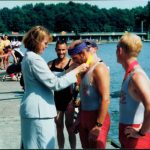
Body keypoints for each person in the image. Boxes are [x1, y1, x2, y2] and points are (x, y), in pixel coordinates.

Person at [20, 26, 89, 149]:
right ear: (37, 41)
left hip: (33, 110)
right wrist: (77, 70)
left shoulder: (28, 57)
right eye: (45, 43)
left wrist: (68, 70)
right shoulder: (35, 60)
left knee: (30, 144)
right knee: (44, 146)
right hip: (39, 113)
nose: (47, 46)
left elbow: (49, 77)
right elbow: (55, 84)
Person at [68, 40, 110, 149]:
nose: (74, 62)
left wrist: (98, 125)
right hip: (84, 117)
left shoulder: (99, 68)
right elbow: (84, 97)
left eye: (75, 58)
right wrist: (78, 120)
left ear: (83, 54)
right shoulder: (83, 69)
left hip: (97, 118)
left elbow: (105, 99)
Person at [116, 32, 150, 149]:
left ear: (120, 51)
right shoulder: (130, 74)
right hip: (128, 137)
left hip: (136, 140)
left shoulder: (137, 76)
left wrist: (141, 132)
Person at [47, 40, 76, 149]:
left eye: (63, 49)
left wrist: (75, 99)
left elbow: (78, 83)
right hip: (56, 100)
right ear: (55, 50)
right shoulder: (50, 64)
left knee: (70, 127)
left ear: (67, 49)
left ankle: (73, 148)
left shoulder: (72, 63)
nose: (61, 52)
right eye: (59, 50)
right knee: (59, 127)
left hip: (69, 100)